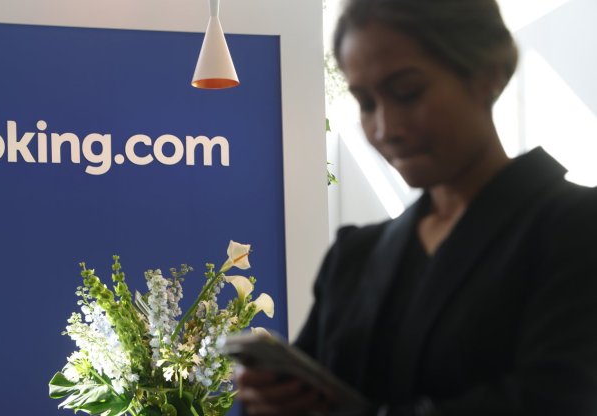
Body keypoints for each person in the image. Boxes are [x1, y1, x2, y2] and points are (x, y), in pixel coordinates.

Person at [235, 0, 597, 414]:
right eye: (366, 103)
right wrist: (265, 398)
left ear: (488, 73)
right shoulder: (352, 258)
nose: (386, 128)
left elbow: (552, 401)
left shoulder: (575, 228)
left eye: (407, 93)